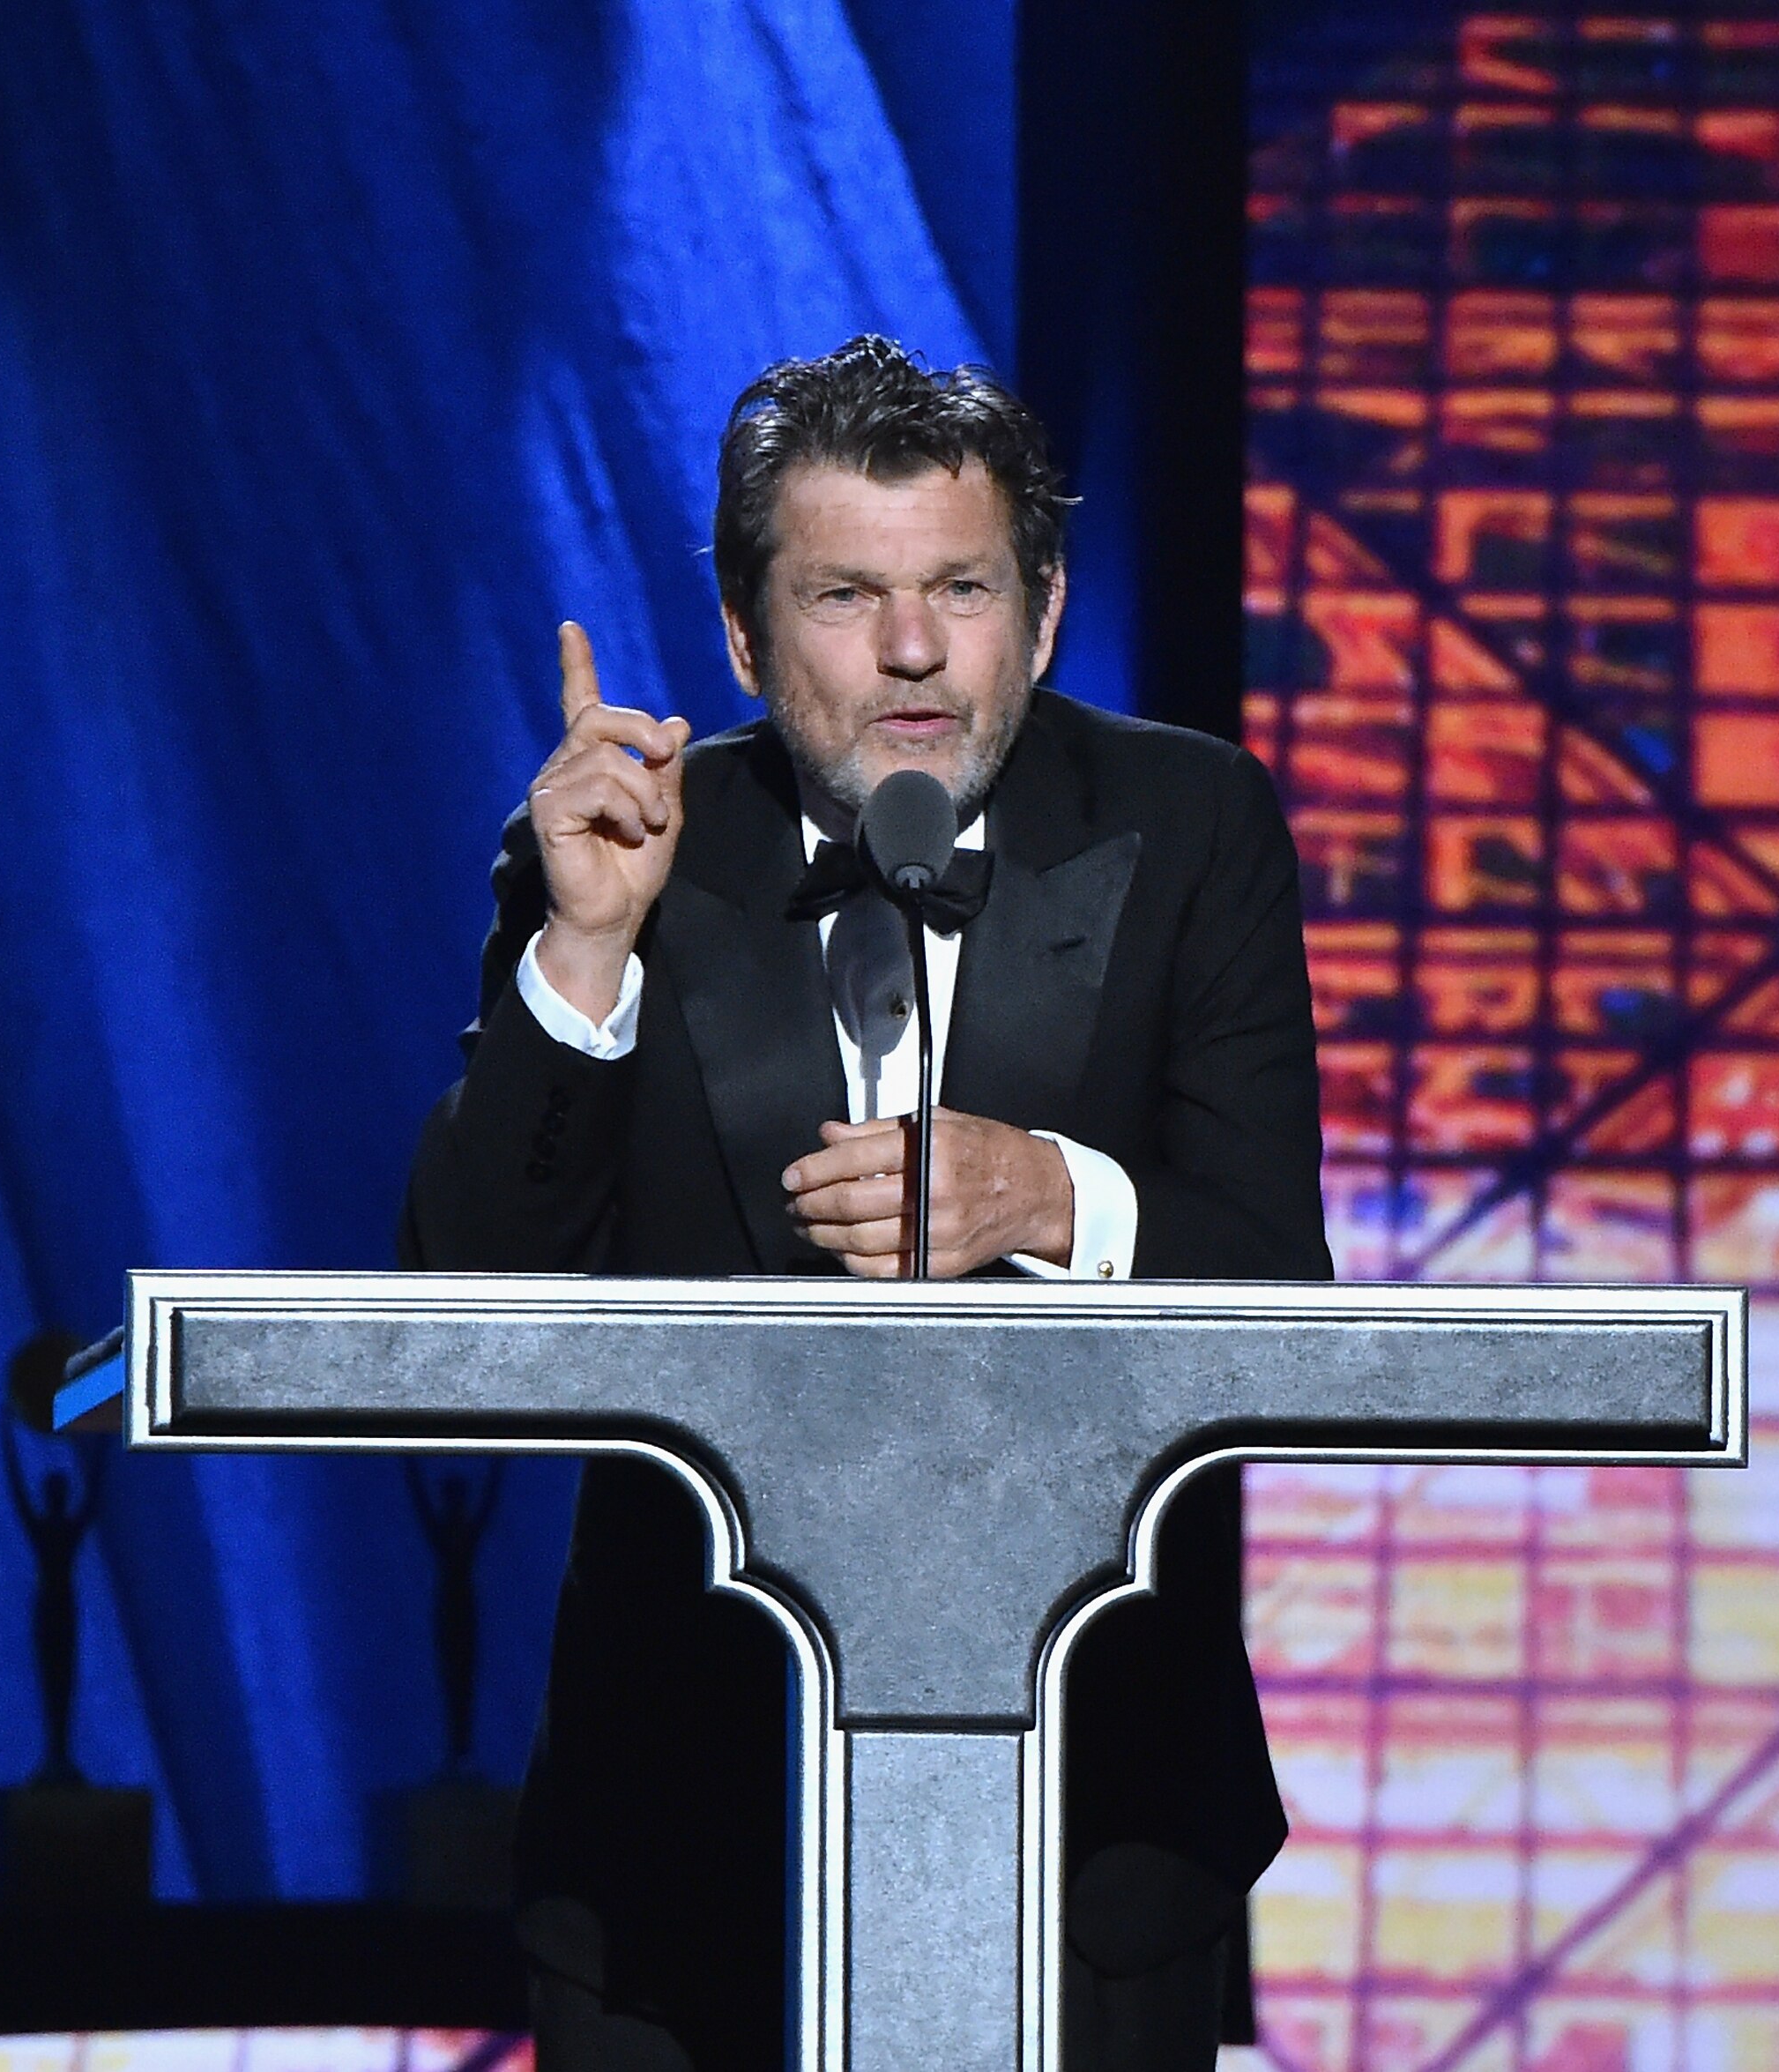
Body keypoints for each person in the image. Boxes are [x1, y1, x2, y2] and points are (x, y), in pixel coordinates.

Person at [400, 336, 1329, 2071]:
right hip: (677, 1837)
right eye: (848, 594)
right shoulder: (622, 844)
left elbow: (1283, 1286)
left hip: (1094, 1814)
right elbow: (466, 1297)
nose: (914, 649)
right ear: (747, 637)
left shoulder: (1191, 825)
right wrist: (585, 951)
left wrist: (1050, 1192)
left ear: (1040, 616)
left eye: (961, 588)